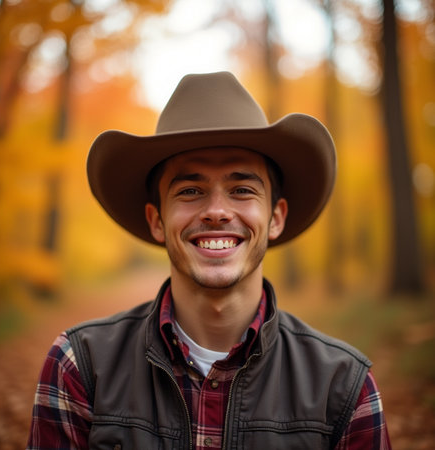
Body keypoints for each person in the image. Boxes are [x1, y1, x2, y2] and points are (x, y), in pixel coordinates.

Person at [27, 71, 391, 449]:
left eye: (242, 189)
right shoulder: (80, 366)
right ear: (157, 220)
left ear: (275, 218)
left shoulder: (345, 386)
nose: (216, 211)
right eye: (190, 190)